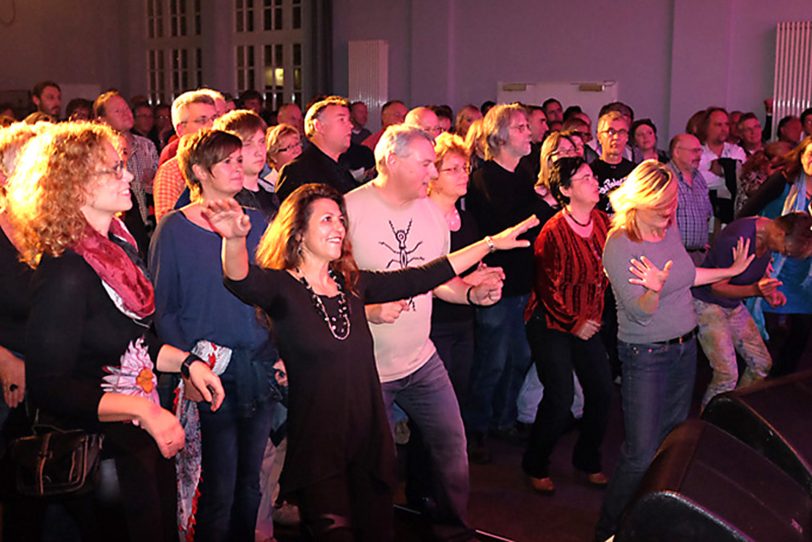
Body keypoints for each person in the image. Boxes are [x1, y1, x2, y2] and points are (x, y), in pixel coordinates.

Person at [205, 183, 535, 541]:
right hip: (320, 444)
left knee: (377, 531)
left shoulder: (351, 284)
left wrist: (489, 243)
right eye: (327, 219)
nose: (339, 227)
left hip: (369, 438)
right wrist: (233, 240)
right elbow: (239, 279)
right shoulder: (282, 288)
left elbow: (423, 275)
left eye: (341, 220)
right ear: (298, 231)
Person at [5, 122, 223, 541]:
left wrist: (187, 362)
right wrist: (144, 410)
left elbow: (132, 342)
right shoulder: (66, 270)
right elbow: (49, 386)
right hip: (97, 453)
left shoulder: (115, 252)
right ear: (75, 184)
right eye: (113, 168)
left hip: (134, 437)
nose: (127, 176)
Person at [595, 160, 753, 540]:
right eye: (663, 203)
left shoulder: (669, 230)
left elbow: (686, 276)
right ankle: (609, 529)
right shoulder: (620, 244)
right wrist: (653, 287)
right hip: (646, 356)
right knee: (640, 452)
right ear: (640, 200)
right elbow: (641, 313)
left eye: (674, 200)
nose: (671, 209)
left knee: (670, 442)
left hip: (684, 350)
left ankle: (648, 520)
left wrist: (728, 272)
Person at [149, 129, 279, 541]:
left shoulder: (255, 220)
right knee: (217, 483)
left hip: (256, 362)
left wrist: (277, 350)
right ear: (200, 172)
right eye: (228, 161)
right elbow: (163, 307)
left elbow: (273, 292)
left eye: (240, 159)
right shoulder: (174, 229)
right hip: (209, 368)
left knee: (250, 482)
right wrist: (189, 364)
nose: (239, 168)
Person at [522, 157, 612, 494]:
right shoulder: (554, 231)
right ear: (565, 190)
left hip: (588, 321)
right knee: (559, 397)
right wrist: (574, 323)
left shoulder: (603, 222)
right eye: (585, 178)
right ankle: (535, 463)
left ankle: (587, 459)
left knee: (602, 392)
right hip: (551, 322)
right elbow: (547, 289)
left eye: (593, 177)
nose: (594, 183)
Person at [693, 213, 812, 408]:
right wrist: (755, 290)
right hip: (707, 303)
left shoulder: (767, 237)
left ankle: (733, 410)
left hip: (732, 303)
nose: (784, 254)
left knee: (761, 364)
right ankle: (709, 424)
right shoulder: (738, 238)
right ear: (781, 233)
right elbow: (717, 287)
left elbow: (754, 276)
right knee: (726, 374)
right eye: (785, 249)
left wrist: (769, 293)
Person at [264, 122, 303, 193]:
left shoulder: (308, 176)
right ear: (274, 156)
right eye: (289, 147)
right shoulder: (267, 187)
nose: (297, 150)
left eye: (297, 144)